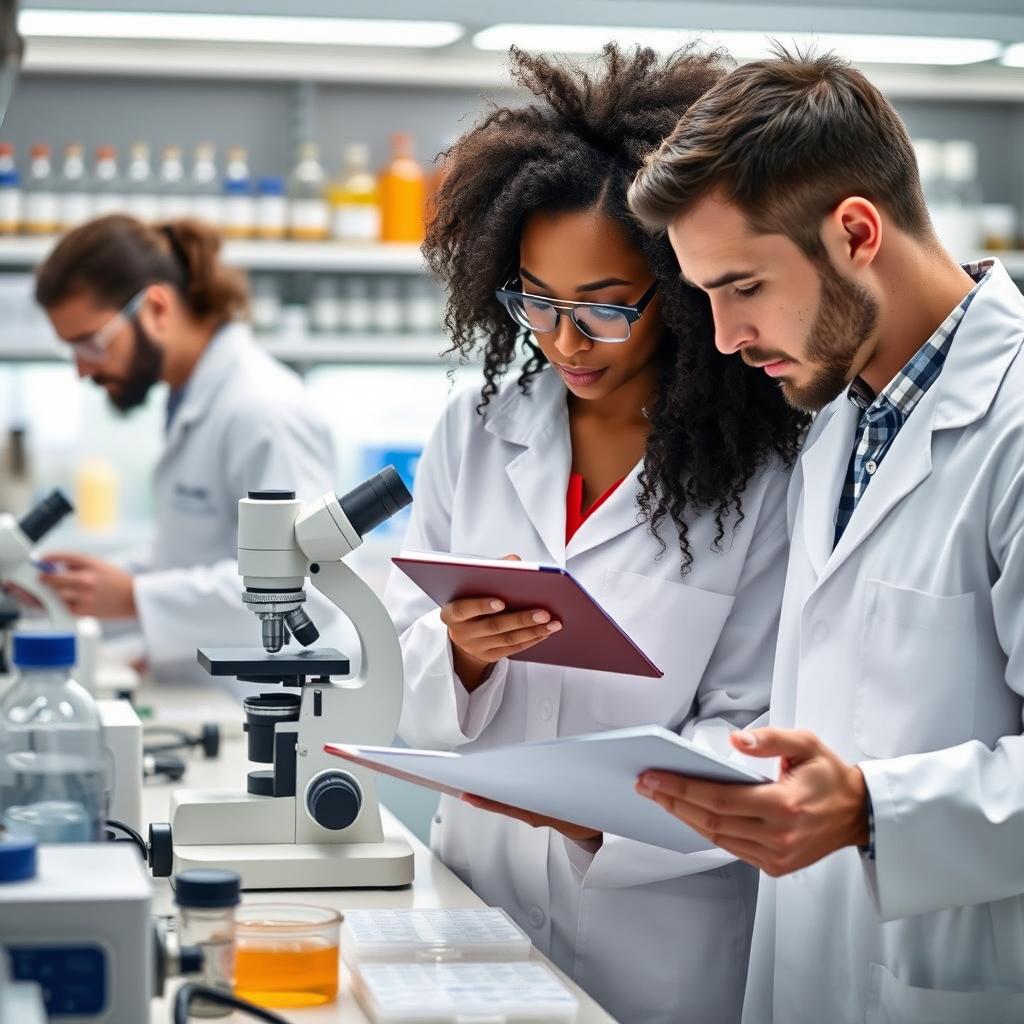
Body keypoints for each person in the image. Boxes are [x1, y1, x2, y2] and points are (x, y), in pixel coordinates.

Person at [385, 45, 807, 1024]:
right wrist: (459, 655)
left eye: (605, 309)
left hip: (659, 942)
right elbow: (407, 687)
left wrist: (585, 807)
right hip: (473, 905)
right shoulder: (474, 432)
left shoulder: (767, 472)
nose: (563, 340)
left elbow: (753, 731)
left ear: (684, 289)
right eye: (534, 299)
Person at [628, 48, 1024, 1024]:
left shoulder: (1012, 425)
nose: (721, 337)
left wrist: (871, 809)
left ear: (854, 230)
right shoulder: (840, 418)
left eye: (742, 287)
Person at [32, 214, 348, 681]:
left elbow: (306, 586)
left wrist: (134, 595)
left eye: (91, 344)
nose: (82, 370)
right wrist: (86, 587)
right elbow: (195, 555)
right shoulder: (193, 398)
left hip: (286, 707)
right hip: (221, 691)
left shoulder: (263, 410)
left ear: (156, 308)